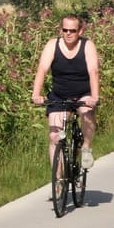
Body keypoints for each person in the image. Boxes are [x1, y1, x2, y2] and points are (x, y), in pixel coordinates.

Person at [31, 14, 100, 170]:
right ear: (60, 29)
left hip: (83, 93)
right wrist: (36, 94)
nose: (68, 33)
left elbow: (93, 71)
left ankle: (86, 147)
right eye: (65, 30)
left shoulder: (87, 46)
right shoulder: (52, 45)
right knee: (55, 136)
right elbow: (42, 69)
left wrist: (94, 97)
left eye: (73, 30)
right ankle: (58, 182)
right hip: (59, 95)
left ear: (80, 31)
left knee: (87, 113)